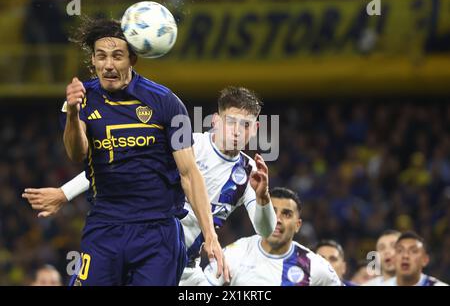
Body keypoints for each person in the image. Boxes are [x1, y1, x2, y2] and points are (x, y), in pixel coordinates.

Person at [29, 17, 224, 286]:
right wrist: (73, 114)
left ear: (132, 59)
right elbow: (77, 153)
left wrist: (210, 236)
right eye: (101, 57)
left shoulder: (167, 103)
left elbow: (189, 174)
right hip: (105, 227)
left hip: (158, 233)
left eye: (117, 56)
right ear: (93, 61)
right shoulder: (80, 99)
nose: (108, 65)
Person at [23, 84, 277, 285]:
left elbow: (266, 232)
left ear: (254, 129)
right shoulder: (187, 145)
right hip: (144, 251)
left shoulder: (250, 173)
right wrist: (64, 193)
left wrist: (263, 196)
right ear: (216, 121)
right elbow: (120, 166)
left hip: (186, 271)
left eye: (244, 125)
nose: (236, 131)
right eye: (230, 121)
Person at [201, 187, 342, 286]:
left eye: (286, 214)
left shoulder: (314, 266)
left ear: (298, 225)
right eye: (272, 211)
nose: (278, 219)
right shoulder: (235, 253)